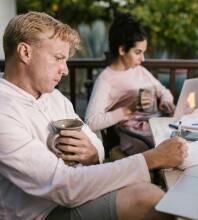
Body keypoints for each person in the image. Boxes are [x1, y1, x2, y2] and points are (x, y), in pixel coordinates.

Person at [0, 11, 188, 220]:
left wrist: (91, 153)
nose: (65, 71)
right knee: (148, 198)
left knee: (146, 188)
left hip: (78, 186)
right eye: (58, 58)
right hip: (43, 212)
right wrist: (151, 159)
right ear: (25, 53)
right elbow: (63, 185)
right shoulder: (5, 111)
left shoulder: (54, 97)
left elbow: (94, 142)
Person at [85, 13, 175, 155]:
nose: (143, 59)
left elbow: (162, 90)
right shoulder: (106, 80)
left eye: (143, 53)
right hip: (138, 138)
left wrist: (166, 100)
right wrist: (128, 109)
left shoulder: (139, 70)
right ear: (122, 50)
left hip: (157, 124)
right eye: (138, 52)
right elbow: (91, 121)